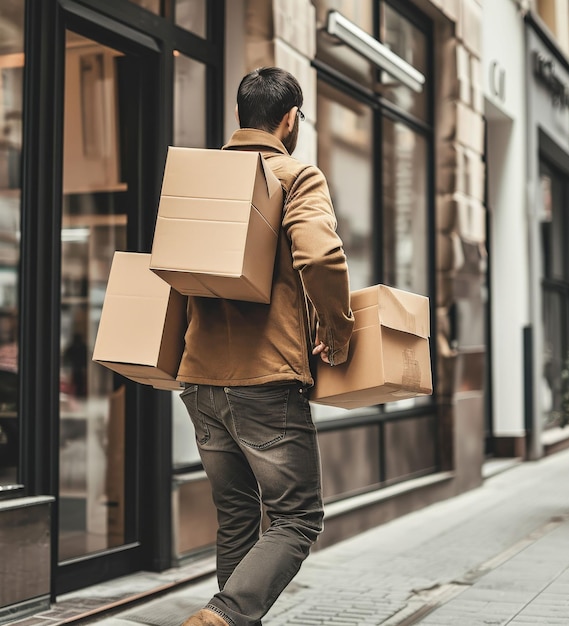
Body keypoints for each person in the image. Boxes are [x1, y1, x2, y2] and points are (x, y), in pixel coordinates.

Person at [178, 67, 354, 626]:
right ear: (290, 118)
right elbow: (321, 258)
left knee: (235, 516)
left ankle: (227, 616)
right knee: (297, 518)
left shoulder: (201, 178)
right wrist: (338, 330)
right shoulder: (296, 174)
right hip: (265, 380)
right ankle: (224, 615)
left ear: (238, 117)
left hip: (200, 380)